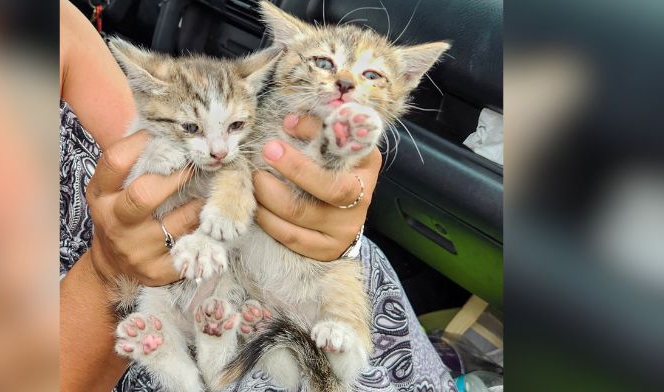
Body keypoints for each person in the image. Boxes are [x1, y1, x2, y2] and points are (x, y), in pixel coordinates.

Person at [58, 1, 455, 391]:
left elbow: (158, 123)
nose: (345, 82)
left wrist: (343, 215)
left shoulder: (59, 24)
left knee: (342, 303)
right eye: (324, 63)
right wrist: (109, 267)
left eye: (370, 75)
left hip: (287, 278)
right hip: (200, 291)